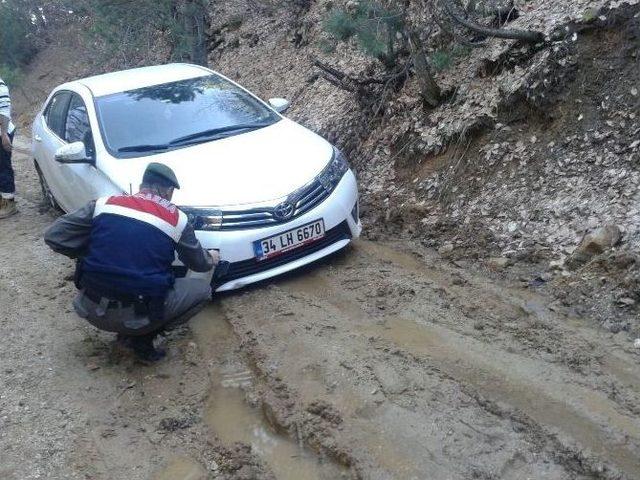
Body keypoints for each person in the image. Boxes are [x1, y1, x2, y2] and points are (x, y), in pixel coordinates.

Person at [45, 163, 218, 362]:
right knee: (203, 291)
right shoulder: (176, 219)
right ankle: (142, 340)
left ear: (141, 185)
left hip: (89, 309)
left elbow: (53, 236)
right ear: (169, 191)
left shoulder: (104, 204)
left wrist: (87, 252)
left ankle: (130, 333)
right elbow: (198, 264)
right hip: (138, 318)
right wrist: (211, 257)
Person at [0, 76, 17, 218]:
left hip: (2, 133)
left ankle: (9, 203)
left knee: (3, 168)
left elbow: (4, 110)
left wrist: (4, 134)